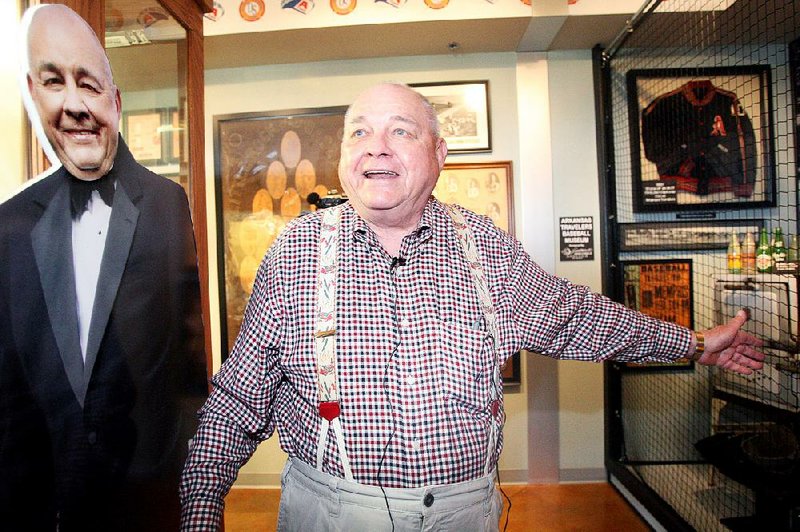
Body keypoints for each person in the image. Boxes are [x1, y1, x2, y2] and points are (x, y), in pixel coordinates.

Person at [179, 83, 764, 531]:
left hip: (465, 515)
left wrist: (692, 343)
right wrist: (201, 512)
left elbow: (580, 317)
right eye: (358, 132)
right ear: (342, 156)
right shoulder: (295, 252)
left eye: (401, 132)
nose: (375, 147)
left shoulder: (483, 247)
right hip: (331, 513)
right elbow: (237, 399)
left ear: (439, 153)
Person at [0, 5, 207, 530]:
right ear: (33, 92)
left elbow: (186, 367)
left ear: (115, 102)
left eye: (89, 85)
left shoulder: (166, 203)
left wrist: (191, 495)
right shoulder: (8, 227)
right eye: (53, 81)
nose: (73, 105)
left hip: (147, 498)